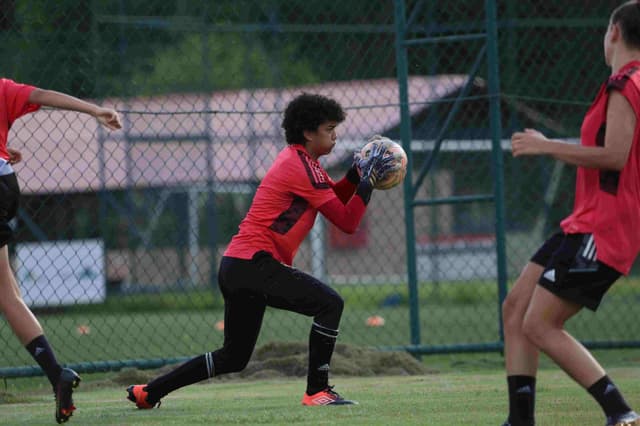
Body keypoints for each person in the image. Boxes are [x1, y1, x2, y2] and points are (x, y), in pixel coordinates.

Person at [126, 93, 394, 408]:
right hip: (254, 264)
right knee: (330, 304)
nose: (336, 135)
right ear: (308, 133)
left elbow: (333, 198)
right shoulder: (302, 167)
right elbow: (347, 221)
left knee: (234, 357)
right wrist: (368, 183)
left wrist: (356, 176)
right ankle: (317, 391)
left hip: (237, 266)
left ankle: (149, 392)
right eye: (329, 128)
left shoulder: (303, 163)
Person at [502, 2, 640, 425]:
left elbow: (614, 156)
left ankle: (621, 412)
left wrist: (546, 146)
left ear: (614, 31)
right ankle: (520, 420)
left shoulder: (625, 84)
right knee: (516, 308)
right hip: (583, 222)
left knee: (540, 324)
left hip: (603, 226)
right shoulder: (626, 83)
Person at [0, 78, 122, 423]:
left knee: (6, 294)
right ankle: (57, 376)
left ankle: (57, 374)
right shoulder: (1, 88)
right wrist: (94, 109)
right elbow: (43, 96)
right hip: (5, 183)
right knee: (8, 295)